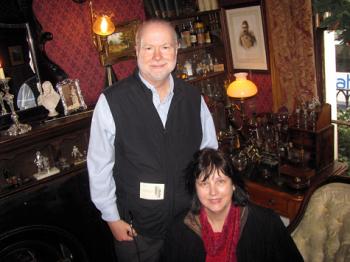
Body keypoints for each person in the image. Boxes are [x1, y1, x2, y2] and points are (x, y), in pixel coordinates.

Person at [87, 18, 218, 262]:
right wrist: (111, 217)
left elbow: (209, 156)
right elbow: (99, 166)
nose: (157, 56)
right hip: (136, 231)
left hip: (189, 223)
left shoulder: (193, 98)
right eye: (149, 48)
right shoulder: (112, 101)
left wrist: (209, 204)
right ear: (137, 51)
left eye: (165, 47)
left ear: (177, 51)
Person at [162, 148, 304, 262]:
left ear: (234, 184)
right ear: (195, 188)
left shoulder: (266, 224)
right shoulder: (178, 231)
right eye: (204, 183)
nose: (213, 192)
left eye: (220, 181)